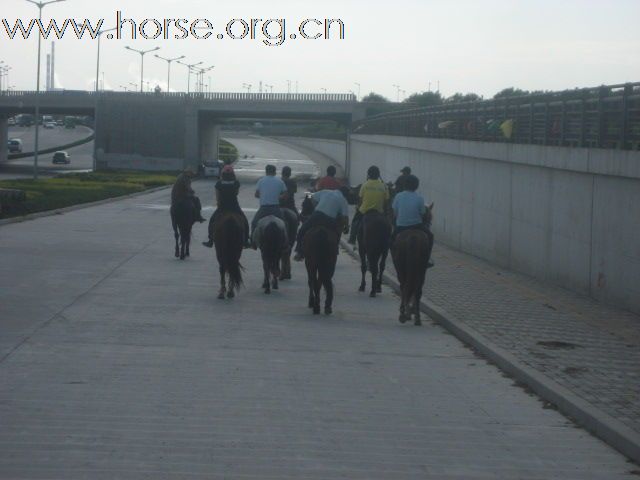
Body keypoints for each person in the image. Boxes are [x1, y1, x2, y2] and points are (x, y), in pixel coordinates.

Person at [293, 186, 351, 261]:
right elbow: (345, 217)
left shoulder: (326, 191)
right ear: (345, 194)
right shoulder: (343, 200)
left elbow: (311, 196)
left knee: (302, 230)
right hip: (330, 220)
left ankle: (299, 251)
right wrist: (346, 226)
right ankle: (334, 250)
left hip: (317, 215)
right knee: (336, 234)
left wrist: (315, 205)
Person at [202, 165, 250, 248]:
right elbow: (236, 193)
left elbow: (217, 197)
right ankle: (245, 241)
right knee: (245, 221)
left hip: (222, 207)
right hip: (234, 207)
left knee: (212, 221)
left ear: (223, 173)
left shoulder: (219, 183)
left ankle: (210, 240)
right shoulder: (236, 183)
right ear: (232, 174)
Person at [391, 174, 434, 268]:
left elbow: (395, 213)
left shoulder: (398, 196)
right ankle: (427, 259)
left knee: (391, 239)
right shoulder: (420, 198)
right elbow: (423, 214)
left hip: (401, 226)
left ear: (404, 185)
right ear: (416, 186)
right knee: (430, 236)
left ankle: (394, 256)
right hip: (417, 226)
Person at [347, 165, 390, 245]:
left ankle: (352, 238)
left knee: (355, 221)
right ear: (378, 175)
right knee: (388, 225)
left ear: (369, 174)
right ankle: (388, 241)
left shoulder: (365, 185)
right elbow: (386, 202)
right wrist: (385, 212)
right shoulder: (384, 186)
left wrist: (358, 207)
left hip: (364, 211)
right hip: (379, 211)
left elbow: (360, 200)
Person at [251, 164, 288, 244]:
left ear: (266, 172)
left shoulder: (261, 181)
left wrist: (264, 195)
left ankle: (252, 242)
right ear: (274, 172)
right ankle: (286, 243)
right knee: (284, 224)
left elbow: (256, 195)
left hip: (264, 208)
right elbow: (285, 195)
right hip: (275, 208)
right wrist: (278, 197)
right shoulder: (280, 181)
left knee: (254, 223)